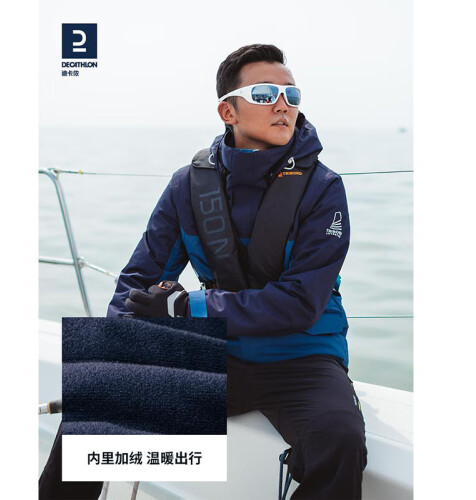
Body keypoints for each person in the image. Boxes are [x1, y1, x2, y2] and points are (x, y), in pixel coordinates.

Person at [108, 44, 367, 499]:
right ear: (228, 111)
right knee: (98, 403)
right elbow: (138, 280)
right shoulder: (188, 184)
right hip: (220, 353)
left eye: (291, 94)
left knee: (339, 442)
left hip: (303, 358)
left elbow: (300, 304)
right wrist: (120, 345)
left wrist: (187, 307)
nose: (283, 104)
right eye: (265, 94)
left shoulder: (324, 188)